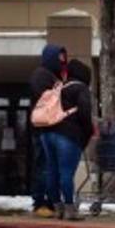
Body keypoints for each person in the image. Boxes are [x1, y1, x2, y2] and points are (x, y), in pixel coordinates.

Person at [40, 58, 94, 221]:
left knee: (52, 171)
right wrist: (87, 133)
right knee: (66, 172)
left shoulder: (58, 88)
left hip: (47, 133)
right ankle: (70, 209)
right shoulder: (81, 88)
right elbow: (84, 114)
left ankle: (58, 208)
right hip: (68, 135)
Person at [29, 44, 67, 218]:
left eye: (63, 58)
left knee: (51, 166)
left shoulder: (54, 77)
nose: (62, 62)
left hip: (54, 128)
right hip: (43, 129)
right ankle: (40, 202)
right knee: (43, 166)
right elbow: (47, 100)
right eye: (59, 58)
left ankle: (51, 200)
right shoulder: (41, 75)